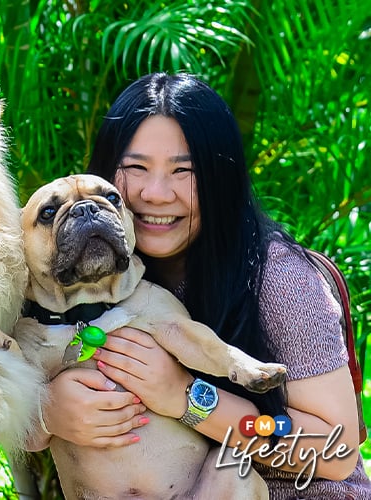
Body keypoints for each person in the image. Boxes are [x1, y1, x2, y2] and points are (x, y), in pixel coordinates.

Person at [35, 72, 371, 498]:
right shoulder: (98, 285)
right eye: (136, 168)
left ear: (220, 180)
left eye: (184, 171)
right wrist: (50, 413)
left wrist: (188, 398)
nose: (155, 193)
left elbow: (336, 450)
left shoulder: (281, 283)